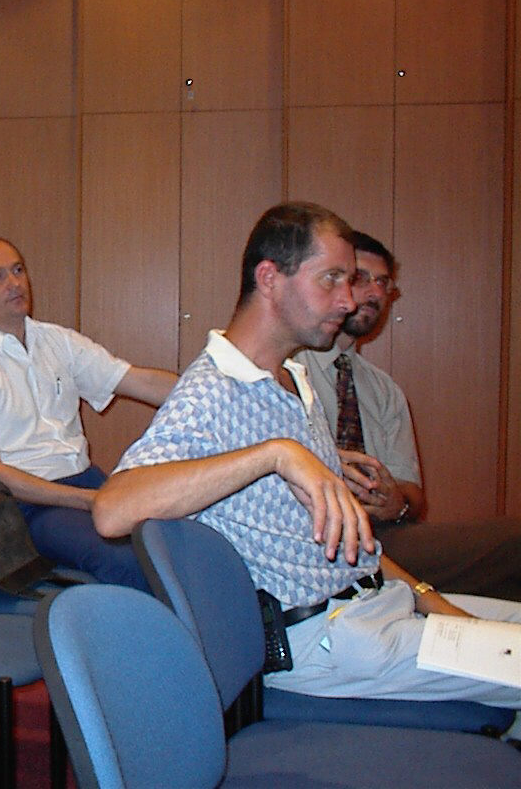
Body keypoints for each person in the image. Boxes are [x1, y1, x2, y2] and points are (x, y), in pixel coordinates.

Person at [94, 202, 521, 709]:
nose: (348, 300)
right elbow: (112, 510)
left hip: (376, 605)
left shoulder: (293, 379)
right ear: (270, 278)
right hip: (331, 639)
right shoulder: (212, 391)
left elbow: (357, 550)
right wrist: (276, 454)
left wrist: (433, 601)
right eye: (331, 279)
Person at [0, 233, 178, 588]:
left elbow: (139, 381)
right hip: (24, 507)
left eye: (17, 270)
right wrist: (86, 500)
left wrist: (209, 395)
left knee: (175, 539)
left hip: (85, 481)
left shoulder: (57, 341)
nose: (14, 283)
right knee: (128, 562)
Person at [297, 231, 521, 600]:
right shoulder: (290, 369)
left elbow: (413, 495)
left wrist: (396, 501)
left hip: (383, 536)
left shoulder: (384, 391)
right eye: (361, 278)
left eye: (382, 283)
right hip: (314, 540)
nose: (373, 292)